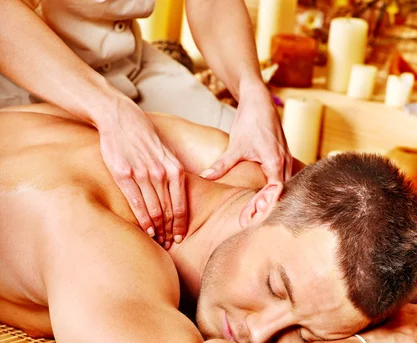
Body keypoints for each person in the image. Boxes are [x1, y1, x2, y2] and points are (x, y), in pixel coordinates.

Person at [1, 103, 417, 343]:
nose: (259, 333)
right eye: (275, 287)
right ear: (262, 205)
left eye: (305, 333)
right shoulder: (95, 232)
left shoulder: (300, 210)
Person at [1, 0, 291, 248]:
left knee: (269, 171)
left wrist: (251, 89)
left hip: (127, 61)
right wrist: (108, 109)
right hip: (29, 67)